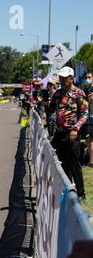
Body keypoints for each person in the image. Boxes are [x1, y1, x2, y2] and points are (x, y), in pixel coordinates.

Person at [49, 67, 89, 200]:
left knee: (74, 163)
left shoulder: (79, 93)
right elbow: (52, 108)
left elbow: (84, 114)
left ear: (71, 78)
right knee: (61, 163)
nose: (61, 80)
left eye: (64, 78)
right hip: (59, 134)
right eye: (60, 78)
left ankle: (81, 193)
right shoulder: (58, 94)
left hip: (72, 133)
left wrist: (76, 128)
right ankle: (67, 190)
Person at [82, 72, 93, 168]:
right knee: (88, 141)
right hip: (88, 118)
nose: (87, 79)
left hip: (91, 119)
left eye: (89, 77)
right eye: (86, 77)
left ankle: (91, 162)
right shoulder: (86, 89)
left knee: (90, 141)